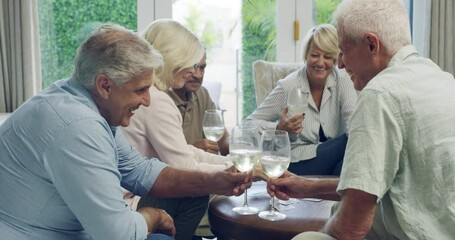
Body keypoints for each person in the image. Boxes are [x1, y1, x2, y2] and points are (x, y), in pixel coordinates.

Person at [0, 24, 252, 240]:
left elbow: (139, 170)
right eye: (140, 90)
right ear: (105, 85)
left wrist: (215, 181)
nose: (147, 101)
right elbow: (116, 234)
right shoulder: (77, 126)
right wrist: (152, 215)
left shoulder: (82, 102)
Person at [267, 0, 455, 239]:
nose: (341, 64)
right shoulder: (442, 79)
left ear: (371, 44)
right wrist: (308, 188)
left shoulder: (379, 94)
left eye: (343, 52)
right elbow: (379, 186)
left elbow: (350, 229)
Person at [122, 19, 239, 240]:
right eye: (189, 62)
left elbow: (184, 151)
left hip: (131, 191)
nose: (192, 71)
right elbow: (185, 168)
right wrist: (232, 172)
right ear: (170, 58)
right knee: (193, 193)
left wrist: (232, 164)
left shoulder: (150, 93)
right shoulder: (155, 99)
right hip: (129, 200)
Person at [245, 23, 357, 176]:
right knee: (349, 141)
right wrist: (278, 128)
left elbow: (353, 121)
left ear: (335, 59)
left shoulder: (343, 80)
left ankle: (333, 192)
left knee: (350, 156)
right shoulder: (289, 86)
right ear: (306, 55)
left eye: (328, 56)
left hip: (336, 159)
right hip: (297, 163)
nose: (320, 62)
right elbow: (249, 126)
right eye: (315, 55)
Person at [168, 53, 230, 156]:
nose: (198, 75)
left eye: (202, 68)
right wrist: (193, 151)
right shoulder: (160, 100)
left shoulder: (202, 94)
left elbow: (223, 140)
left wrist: (240, 148)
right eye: (192, 66)